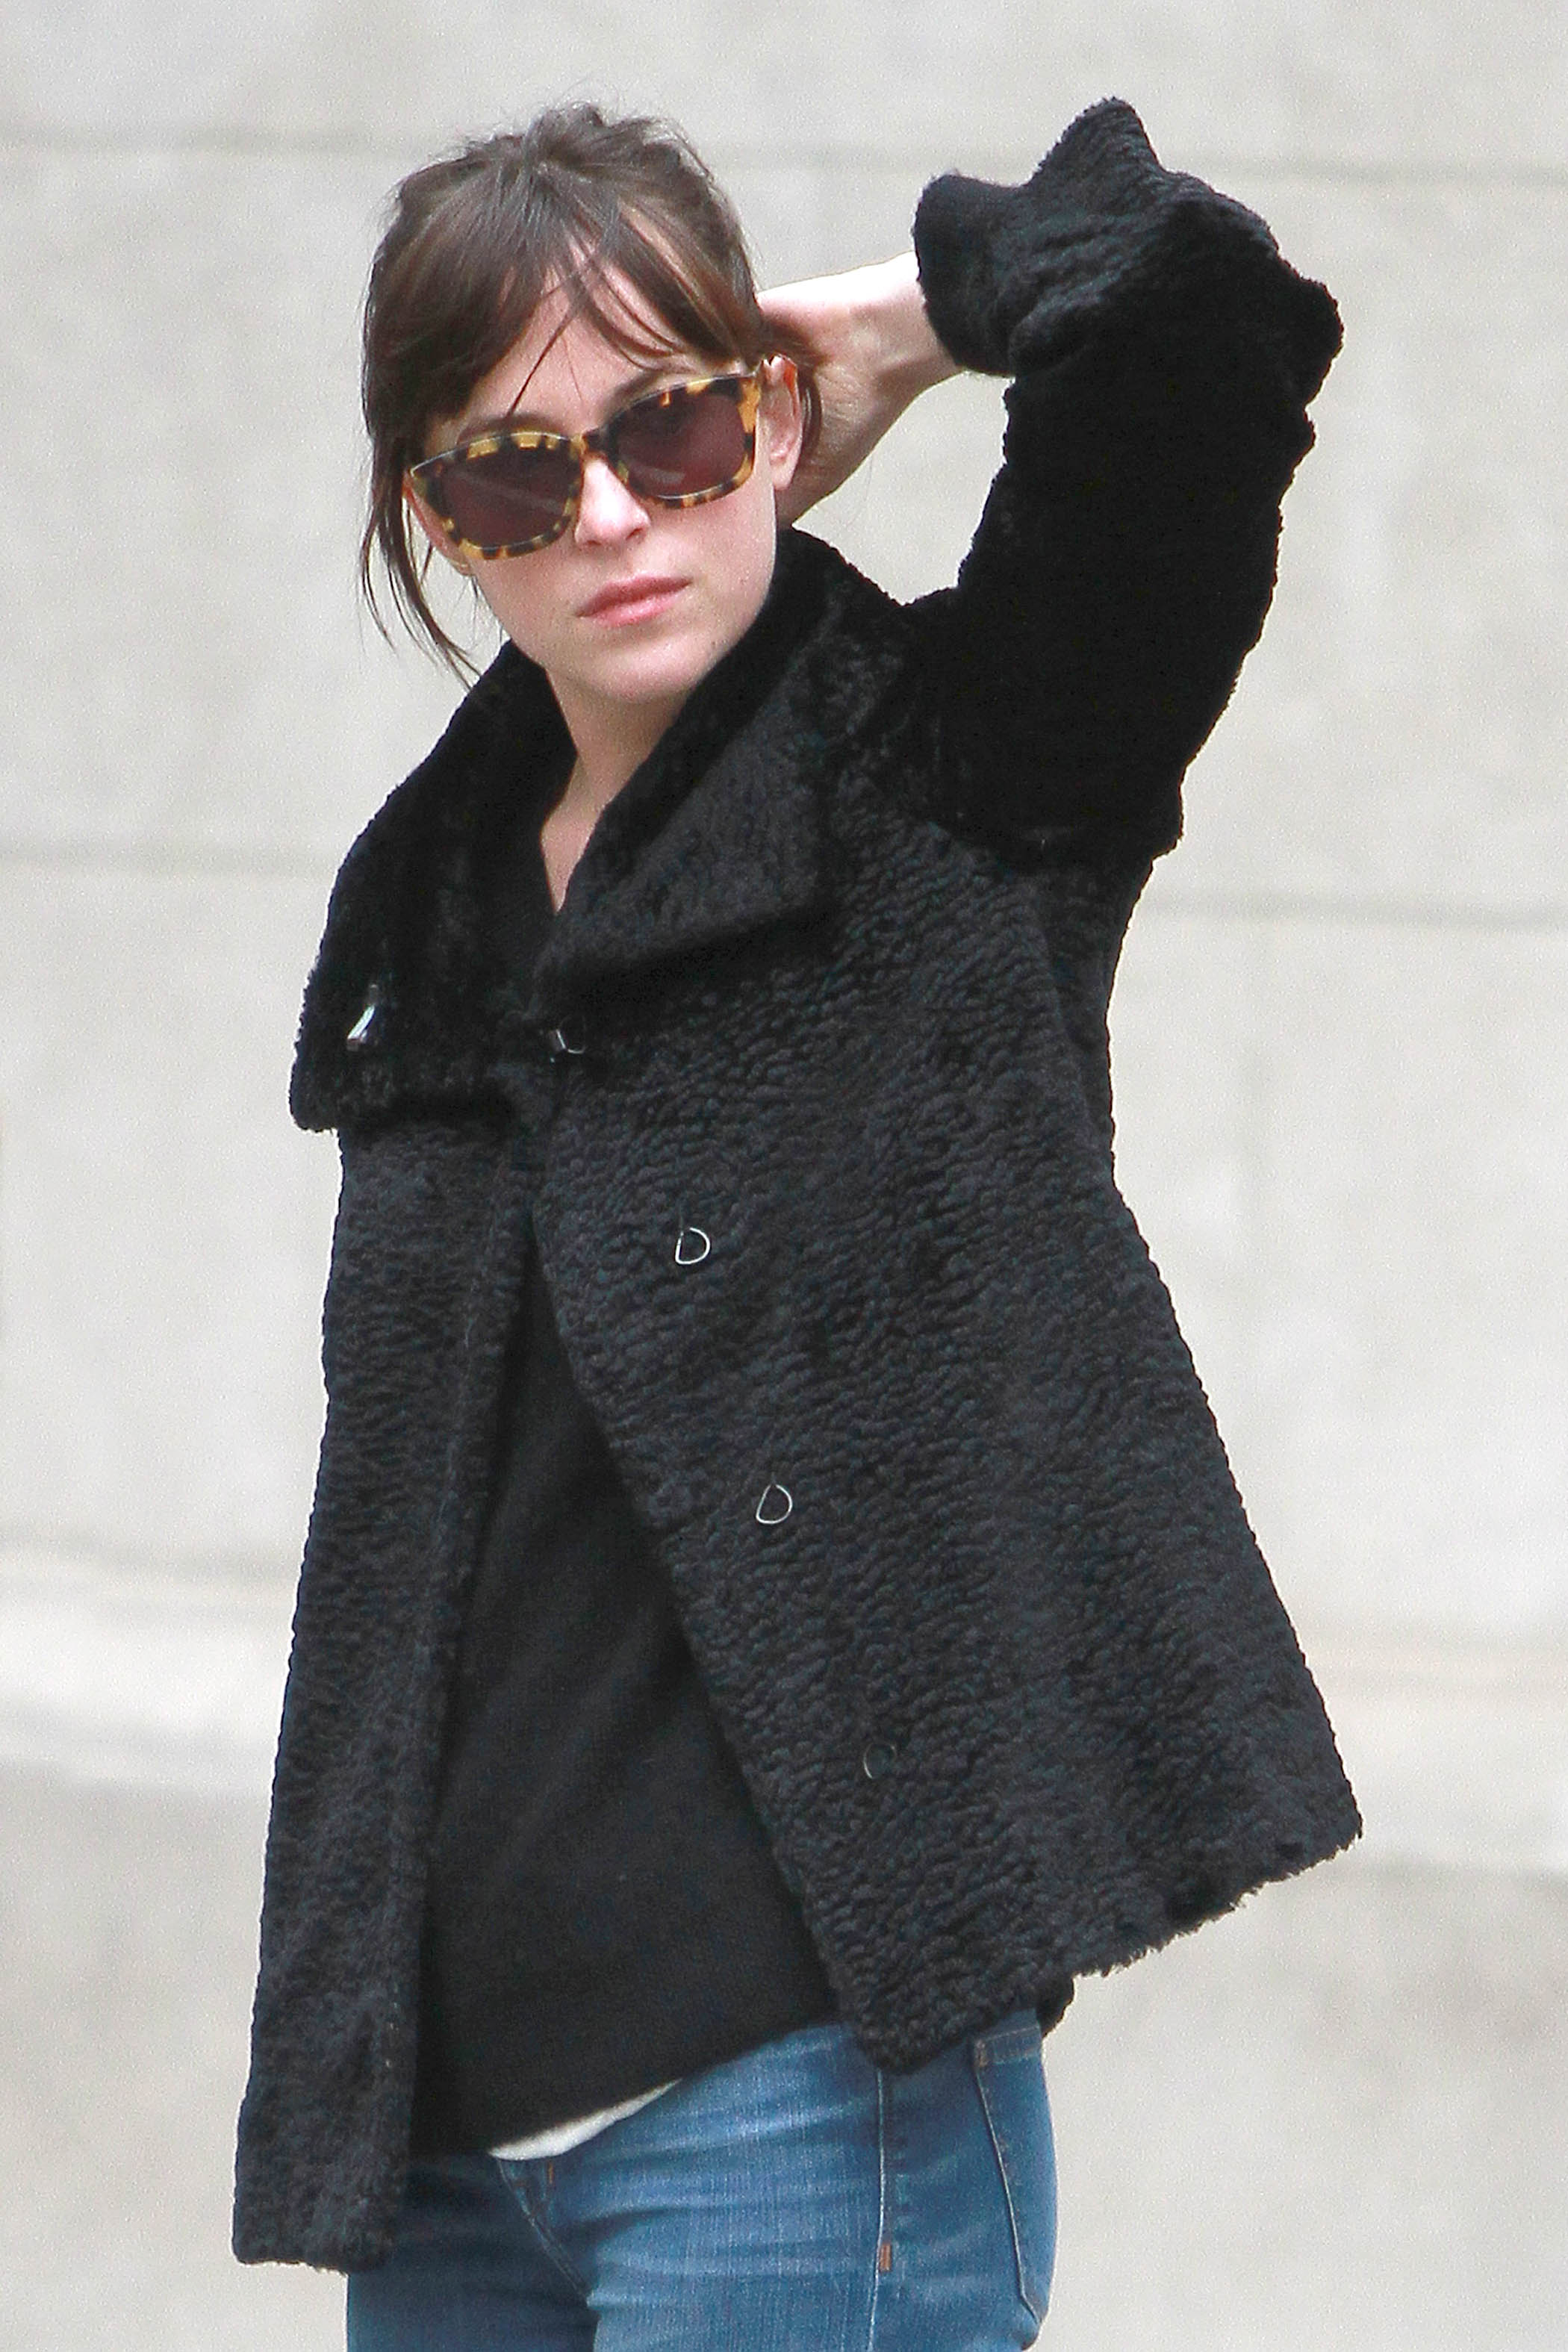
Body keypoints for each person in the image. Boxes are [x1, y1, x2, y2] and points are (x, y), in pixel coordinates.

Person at [233, 94, 1360, 2348]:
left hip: (796, 2111)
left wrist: (911, 321)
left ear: (762, 416)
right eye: (512, 473)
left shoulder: (971, 777)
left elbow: (1200, 308)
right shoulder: (428, 919)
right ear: (438, 525)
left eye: (669, 428)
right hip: (441, 2159)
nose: (609, 517)